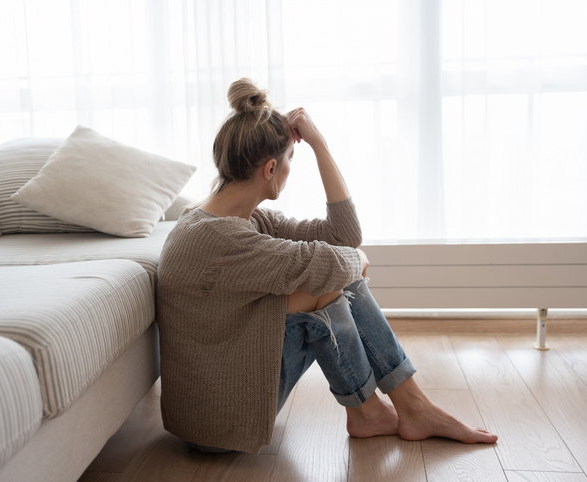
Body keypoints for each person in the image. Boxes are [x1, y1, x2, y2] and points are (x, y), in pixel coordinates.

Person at [156, 78, 497, 454]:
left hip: (213, 405)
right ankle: (400, 408)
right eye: (290, 160)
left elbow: (344, 234)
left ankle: (379, 411)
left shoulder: (239, 221)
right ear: (271, 168)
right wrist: (359, 261)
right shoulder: (221, 240)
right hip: (220, 422)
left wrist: (320, 146)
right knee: (330, 283)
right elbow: (341, 259)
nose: (290, 170)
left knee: (329, 279)